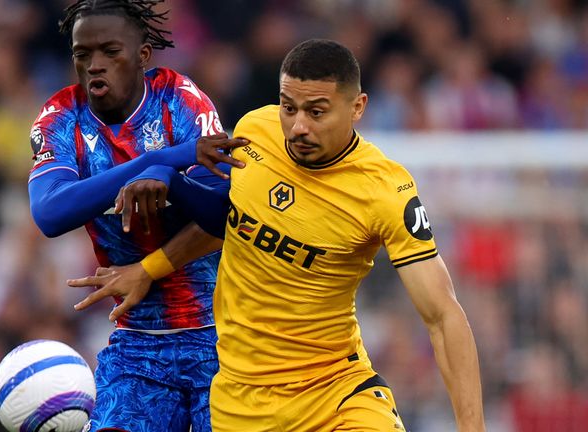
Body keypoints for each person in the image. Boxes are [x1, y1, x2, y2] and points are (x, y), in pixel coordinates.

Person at [72, 39, 486, 431]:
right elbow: (231, 226)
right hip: (240, 402)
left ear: (357, 107)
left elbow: (443, 316)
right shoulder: (255, 131)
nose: (298, 126)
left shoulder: (385, 191)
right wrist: (149, 268)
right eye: (289, 107)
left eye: (317, 112)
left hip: (335, 391)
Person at [26, 1, 244, 431]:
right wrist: (162, 161)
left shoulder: (180, 101)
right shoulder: (61, 117)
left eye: (110, 52)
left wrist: (171, 182)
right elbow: (50, 212)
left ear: (143, 56)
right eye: (82, 55)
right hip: (137, 347)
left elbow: (225, 218)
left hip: (222, 339)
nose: (94, 66)